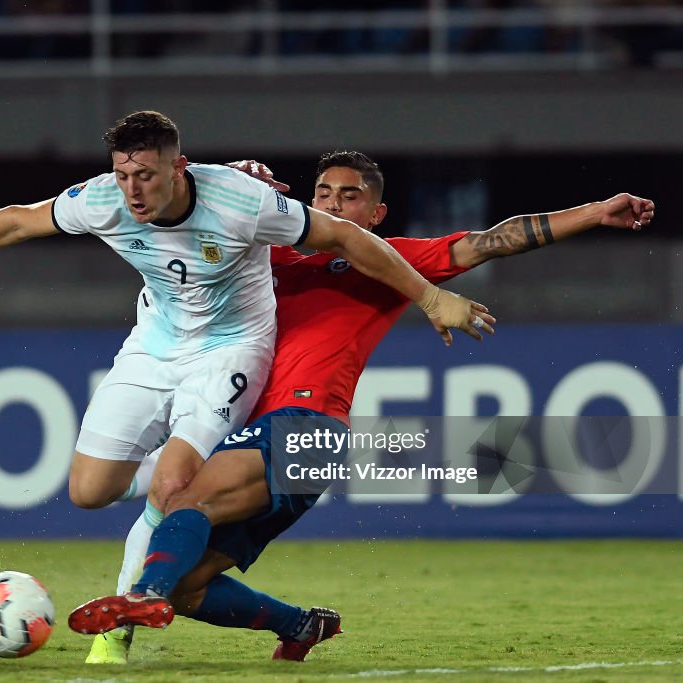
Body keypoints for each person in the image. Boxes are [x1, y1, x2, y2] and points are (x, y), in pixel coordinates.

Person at [70, 150, 655, 663]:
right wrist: (231, 179)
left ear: (375, 215)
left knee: (178, 501)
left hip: (307, 427)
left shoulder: (384, 261)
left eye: (350, 196)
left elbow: (489, 241)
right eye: (323, 191)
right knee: (187, 587)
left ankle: (137, 602)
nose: (333, 202)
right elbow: (191, 227)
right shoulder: (265, 255)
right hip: (254, 437)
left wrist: (594, 211)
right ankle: (298, 624)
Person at [0, 112, 487, 559]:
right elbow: (15, 224)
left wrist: (432, 298)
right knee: (89, 491)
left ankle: (119, 630)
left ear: (178, 166)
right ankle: (181, 468)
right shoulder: (104, 200)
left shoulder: (240, 200)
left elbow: (348, 238)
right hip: (154, 345)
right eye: (124, 174)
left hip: (233, 348)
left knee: (169, 488)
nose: (133, 190)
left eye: (146, 175)